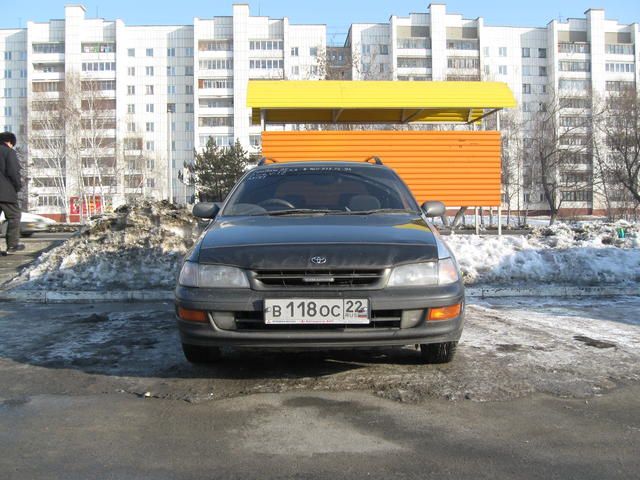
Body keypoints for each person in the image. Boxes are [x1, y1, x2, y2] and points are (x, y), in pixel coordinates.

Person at [0, 131, 25, 252]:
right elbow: (13, 172)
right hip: (5, 192)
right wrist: (17, 186)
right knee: (14, 216)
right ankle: (12, 245)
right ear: (9, 142)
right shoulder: (8, 152)